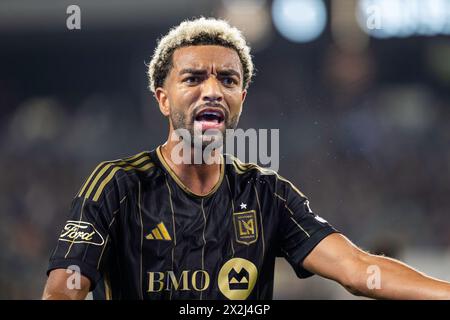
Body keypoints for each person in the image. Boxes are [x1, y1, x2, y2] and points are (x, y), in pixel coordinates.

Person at [43, 17, 450, 300]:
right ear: (163, 99)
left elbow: (360, 271)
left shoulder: (265, 193)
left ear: (241, 99)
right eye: (193, 77)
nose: (213, 90)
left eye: (228, 79)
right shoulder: (117, 184)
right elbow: (63, 289)